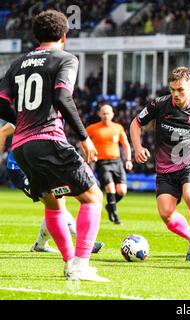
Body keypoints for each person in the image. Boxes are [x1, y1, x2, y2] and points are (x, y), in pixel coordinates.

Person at [0, 10, 108, 281]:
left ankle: (71, 262)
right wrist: (84, 137)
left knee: (54, 205)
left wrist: (21, 121)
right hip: (48, 139)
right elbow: (62, 96)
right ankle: (81, 264)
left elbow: (1, 102)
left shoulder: (17, 63)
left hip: (21, 147)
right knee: (93, 197)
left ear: (36, 36)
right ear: (64, 36)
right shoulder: (65, 58)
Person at [130, 66, 190, 264]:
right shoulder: (159, 104)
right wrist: (137, 147)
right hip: (165, 169)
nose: (176, 94)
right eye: (172, 89)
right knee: (166, 214)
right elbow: (135, 123)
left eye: (180, 89)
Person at [0, 122, 104, 254]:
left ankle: (40, 245)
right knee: (56, 203)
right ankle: (82, 241)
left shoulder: (53, 116)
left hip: (40, 165)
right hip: (20, 170)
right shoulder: (28, 117)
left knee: (54, 203)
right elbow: (3, 131)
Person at [86, 104, 133, 224]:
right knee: (110, 188)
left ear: (112, 114)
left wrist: (128, 160)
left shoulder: (118, 128)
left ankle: (110, 206)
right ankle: (115, 216)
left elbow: (126, 144)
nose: (106, 116)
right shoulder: (92, 128)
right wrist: (90, 154)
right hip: (102, 163)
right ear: (99, 114)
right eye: (104, 113)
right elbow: (83, 142)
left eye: (108, 113)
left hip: (117, 162)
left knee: (122, 191)